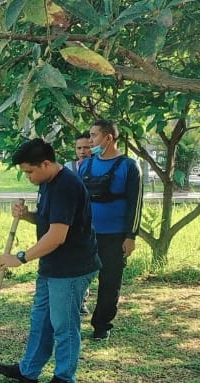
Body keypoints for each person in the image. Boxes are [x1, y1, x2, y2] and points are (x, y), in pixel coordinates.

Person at [0, 138, 100, 383]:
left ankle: (64, 380)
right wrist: (27, 215)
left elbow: (57, 236)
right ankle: (28, 371)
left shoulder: (66, 186)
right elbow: (48, 220)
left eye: (30, 171)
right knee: (41, 320)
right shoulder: (46, 183)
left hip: (72, 268)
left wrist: (20, 257)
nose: (28, 177)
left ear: (46, 163)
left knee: (64, 325)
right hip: (52, 265)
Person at [79, 119, 143, 340]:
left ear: (109, 138)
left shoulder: (129, 166)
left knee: (110, 281)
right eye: (90, 135)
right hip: (87, 234)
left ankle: (102, 325)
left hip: (115, 236)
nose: (90, 141)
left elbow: (136, 204)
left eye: (94, 136)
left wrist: (130, 236)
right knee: (78, 277)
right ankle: (71, 318)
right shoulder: (86, 165)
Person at [66, 132, 93, 314]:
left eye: (87, 147)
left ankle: (83, 298)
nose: (83, 151)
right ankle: (79, 299)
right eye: (79, 148)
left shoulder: (98, 167)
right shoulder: (69, 168)